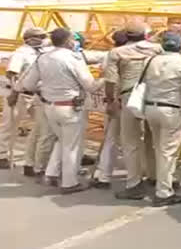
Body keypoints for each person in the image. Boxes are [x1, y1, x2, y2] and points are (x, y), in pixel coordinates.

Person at [19, 28, 101, 194]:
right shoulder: (73, 58)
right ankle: (69, 183)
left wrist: (46, 88)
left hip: (50, 106)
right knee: (71, 146)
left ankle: (51, 173)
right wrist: (105, 79)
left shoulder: (42, 58)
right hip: (70, 107)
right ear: (68, 41)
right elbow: (90, 85)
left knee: (62, 141)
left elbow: (27, 85)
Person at [142, 33, 181, 206]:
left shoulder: (151, 61)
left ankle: (164, 179)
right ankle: (163, 192)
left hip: (150, 107)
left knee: (158, 146)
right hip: (171, 109)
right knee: (169, 152)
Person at [109, 22, 163, 201]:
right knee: (153, 140)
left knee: (131, 142)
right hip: (154, 95)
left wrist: (110, 101)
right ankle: (156, 177)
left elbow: (111, 79)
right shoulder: (157, 49)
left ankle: (134, 184)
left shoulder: (116, 53)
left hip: (129, 97)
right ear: (145, 35)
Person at [0, 27, 53, 176]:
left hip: (35, 95)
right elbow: (12, 73)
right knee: (10, 124)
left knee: (41, 125)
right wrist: (14, 92)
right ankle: (2, 155)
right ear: (31, 38)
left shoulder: (42, 52)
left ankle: (35, 157)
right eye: (42, 36)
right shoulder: (20, 53)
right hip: (19, 94)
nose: (45, 38)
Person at [94, 29, 130, 188]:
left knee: (111, 139)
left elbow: (106, 76)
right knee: (135, 141)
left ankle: (103, 175)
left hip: (115, 100)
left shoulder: (110, 55)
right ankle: (140, 175)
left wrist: (110, 101)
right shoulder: (132, 54)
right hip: (128, 100)